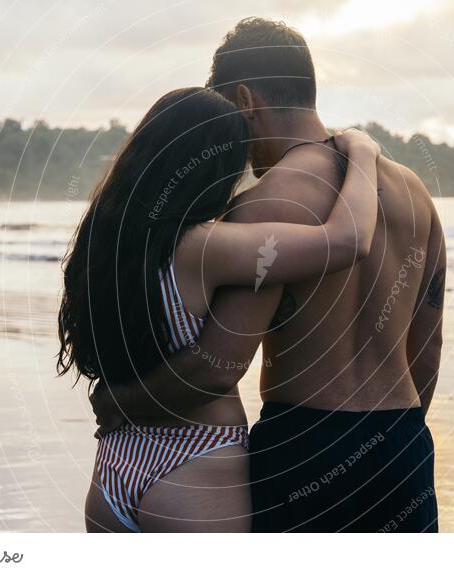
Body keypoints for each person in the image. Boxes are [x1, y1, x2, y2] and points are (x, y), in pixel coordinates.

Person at [92, 17, 446, 533]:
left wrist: (121, 403)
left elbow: (217, 367)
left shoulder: (264, 207)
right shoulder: (414, 192)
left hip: (305, 443)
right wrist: (397, 438)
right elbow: (428, 344)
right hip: (403, 443)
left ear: (243, 100)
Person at [57, 86, 382, 532]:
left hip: (113, 469)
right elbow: (350, 240)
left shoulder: (100, 243)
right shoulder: (204, 247)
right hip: (195, 464)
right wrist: (363, 152)